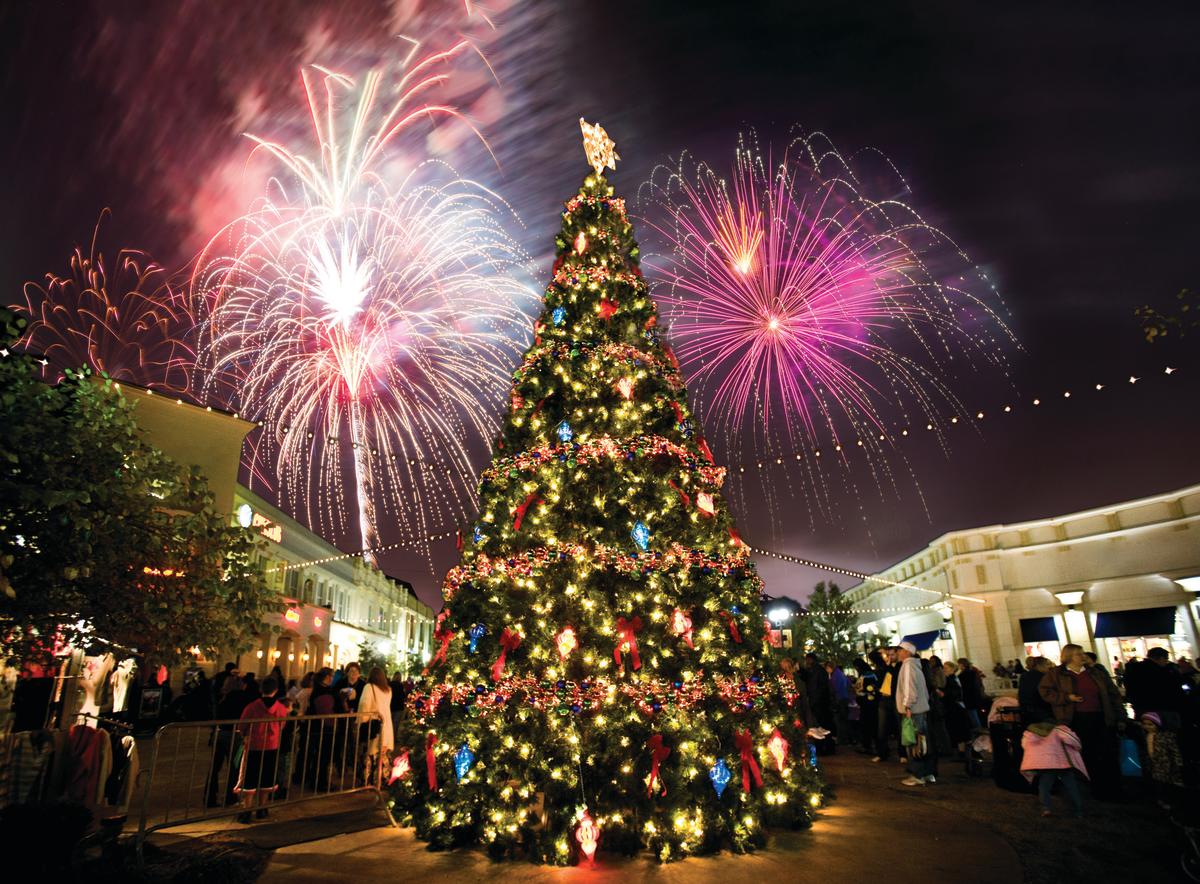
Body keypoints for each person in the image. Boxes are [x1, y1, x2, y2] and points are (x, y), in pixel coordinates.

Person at [1039, 643, 1124, 799]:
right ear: (1069, 657)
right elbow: (1045, 692)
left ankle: (1112, 787)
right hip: (1076, 718)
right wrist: (1066, 698)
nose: (1083, 656)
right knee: (1086, 753)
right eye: (1079, 654)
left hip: (1101, 717)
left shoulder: (1096, 673)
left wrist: (1120, 715)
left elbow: (1112, 694)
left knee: (1107, 752)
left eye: (1083, 653)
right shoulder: (1057, 674)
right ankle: (1092, 787)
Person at [234, 676, 290, 822]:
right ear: (276, 690)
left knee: (250, 777)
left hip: (254, 745)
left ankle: (247, 809)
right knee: (267, 776)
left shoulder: (252, 707)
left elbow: (242, 725)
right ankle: (262, 808)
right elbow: (282, 725)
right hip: (272, 745)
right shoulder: (281, 708)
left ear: (261, 689)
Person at [1020, 722, 1087, 817]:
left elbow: (1025, 745)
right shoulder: (1060, 730)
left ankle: (1046, 809)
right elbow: (1073, 740)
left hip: (1046, 765)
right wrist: (1078, 748)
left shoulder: (1031, 733)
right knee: (1071, 786)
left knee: (1044, 787)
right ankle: (1079, 810)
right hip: (1063, 764)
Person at [207, 674, 250, 807]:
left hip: (220, 733)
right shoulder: (242, 697)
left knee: (214, 768)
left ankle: (209, 798)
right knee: (235, 766)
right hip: (235, 735)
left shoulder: (221, 697)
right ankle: (231, 797)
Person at [896, 641, 936, 785]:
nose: (898, 653)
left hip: (912, 711)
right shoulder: (917, 666)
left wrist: (907, 706)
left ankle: (917, 774)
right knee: (923, 742)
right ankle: (928, 772)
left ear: (907, 652)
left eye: (900, 650)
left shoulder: (908, 666)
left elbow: (909, 688)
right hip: (920, 709)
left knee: (913, 742)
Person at [356, 666, 394, 783]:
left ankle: (368, 779)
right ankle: (382, 779)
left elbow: (364, 705)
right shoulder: (387, 690)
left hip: (374, 725)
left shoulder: (369, 687)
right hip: (386, 725)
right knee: (382, 753)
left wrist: (361, 721)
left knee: (371, 752)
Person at [874, 648, 901, 762]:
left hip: (895, 699)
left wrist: (889, 666)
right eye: (888, 654)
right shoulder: (884, 667)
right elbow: (880, 678)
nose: (890, 657)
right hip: (884, 698)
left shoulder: (900, 666)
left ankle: (903, 754)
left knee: (899, 727)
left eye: (892, 654)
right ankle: (882, 753)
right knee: (881, 728)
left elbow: (895, 677)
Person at [941, 660, 971, 756]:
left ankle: (961, 751)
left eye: (946, 668)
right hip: (957, 707)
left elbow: (952, 693)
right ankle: (963, 750)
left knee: (958, 730)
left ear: (952, 669)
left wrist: (942, 693)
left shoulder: (951, 679)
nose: (944, 670)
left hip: (954, 708)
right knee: (960, 730)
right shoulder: (954, 679)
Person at [853, 657, 879, 755]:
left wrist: (861, 692)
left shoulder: (868, 675)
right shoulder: (867, 674)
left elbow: (869, 689)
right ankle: (867, 744)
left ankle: (869, 745)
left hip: (868, 703)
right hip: (866, 703)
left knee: (868, 725)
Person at [1018, 657, 1054, 726]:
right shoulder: (1043, 677)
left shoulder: (1024, 676)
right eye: (1047, 664)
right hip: (1042, 712)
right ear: (1039, 665)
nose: (1049, 667)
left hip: (1026, 712)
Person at [825, 660, 851, 748]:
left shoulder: (835, 676)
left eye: (827, 668)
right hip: (845, 699)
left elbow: (834, 689)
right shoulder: (840, 674)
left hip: (839, 700)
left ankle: (842, 739)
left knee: (840, 721)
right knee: (844, 720)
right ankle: (845, 738)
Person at [957, 658, 984, 730]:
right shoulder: (973, 672)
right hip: (975, 697)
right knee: (975, 714)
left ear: (962, 665)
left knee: (973, 715)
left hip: (969, 698)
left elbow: (964, 687)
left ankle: (979, 731)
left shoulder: (963, 675)